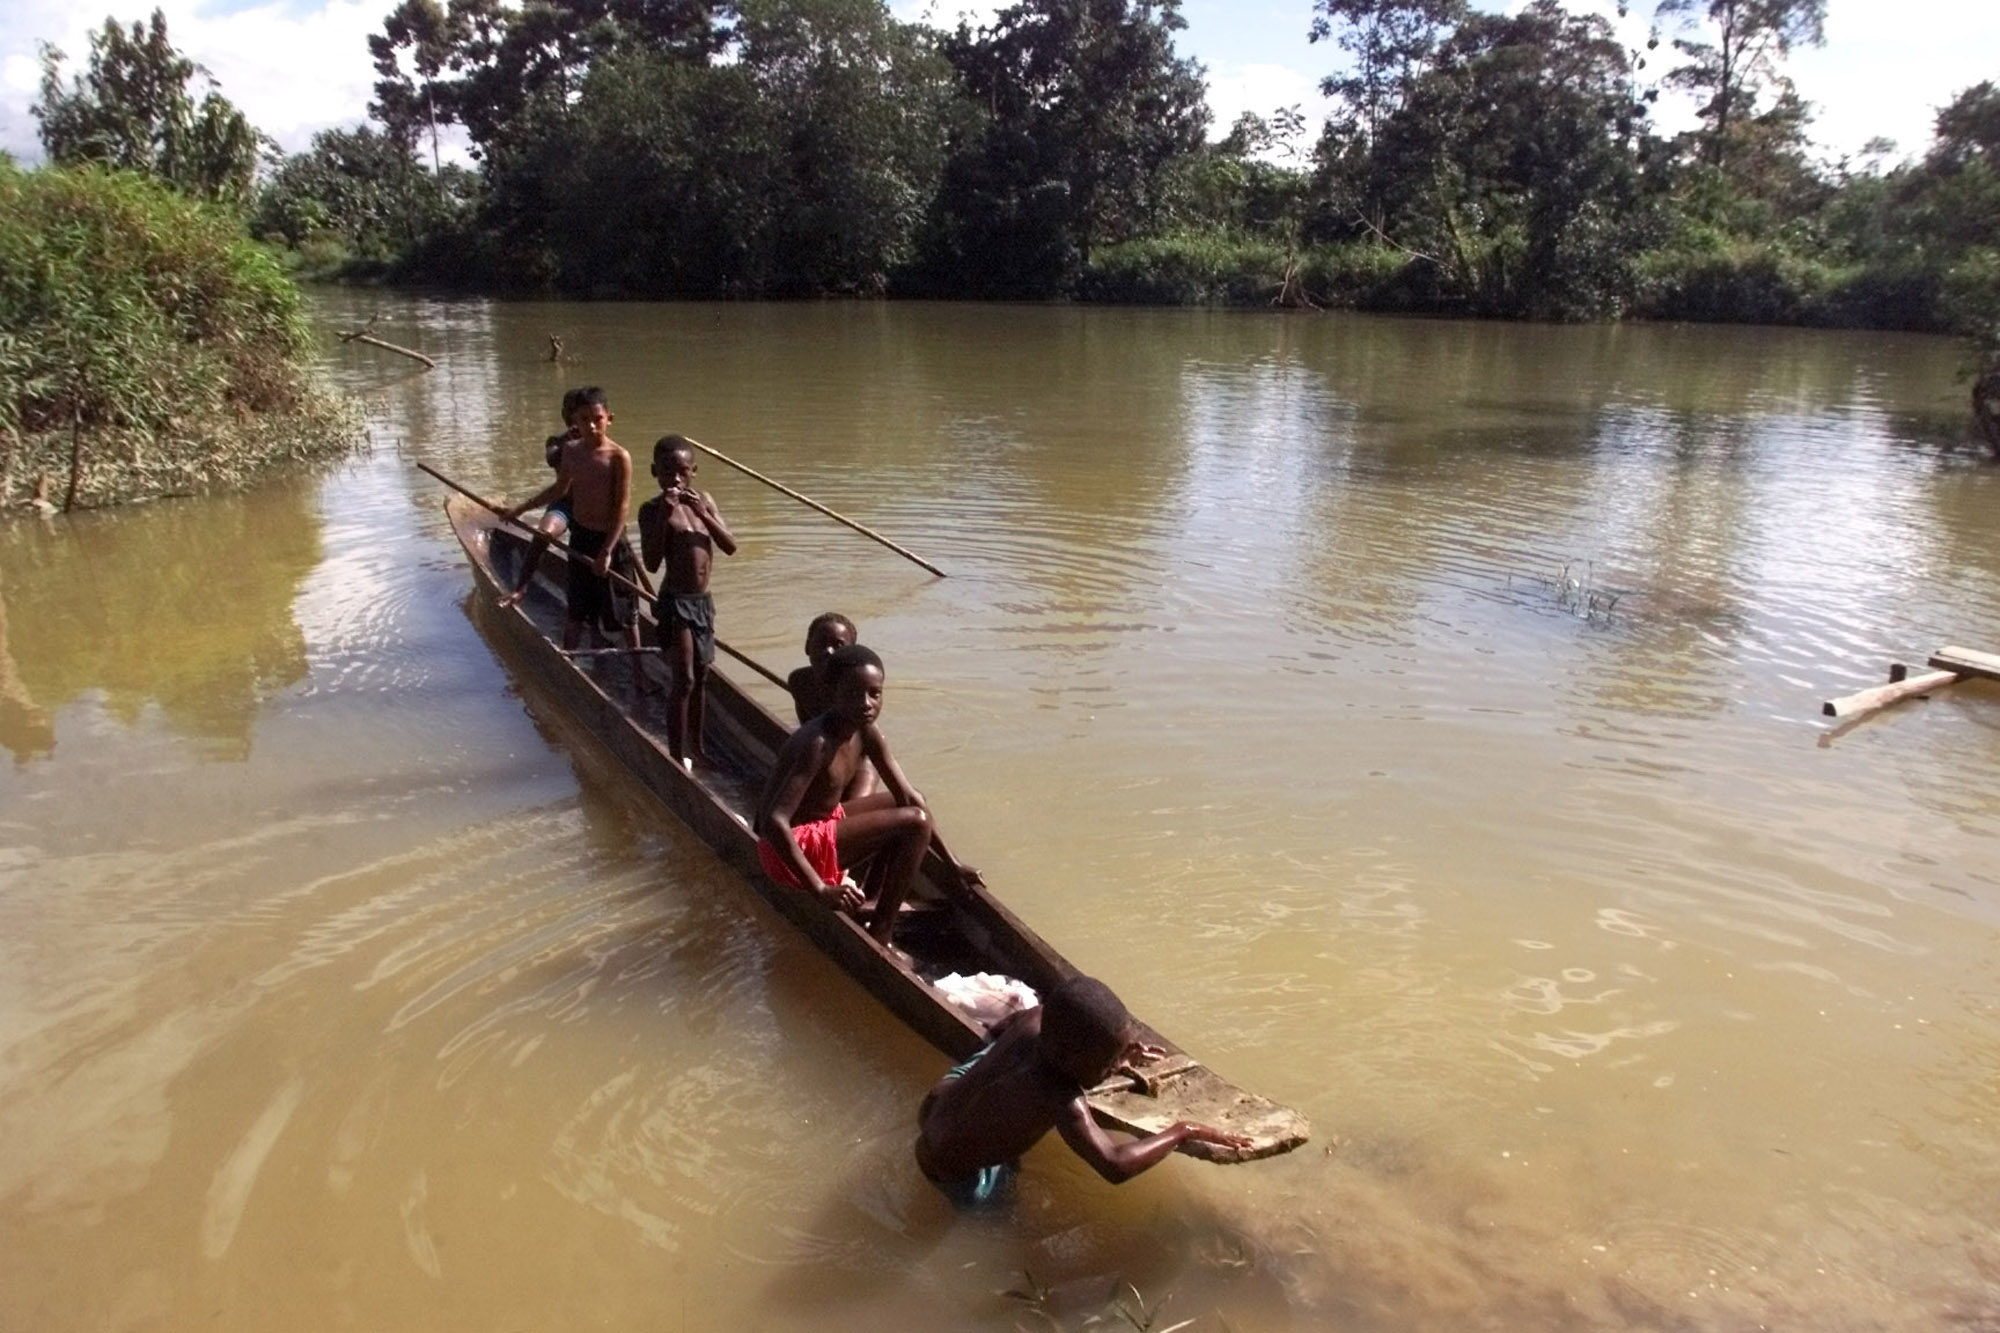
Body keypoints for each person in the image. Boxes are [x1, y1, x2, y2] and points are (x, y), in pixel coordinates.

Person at [913, 975, 1252, 1208]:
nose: (1115, 1067)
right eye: (1108, 1063)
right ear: (1064, 1058)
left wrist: (1003, 1086)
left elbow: (999, 1031)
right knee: (1000, 1218)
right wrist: (1182, 1131)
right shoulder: (1061, 1097)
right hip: (952, 1173)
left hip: (937, 1106)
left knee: (995, 1065)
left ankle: (988, 1109)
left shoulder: (1035, 1017)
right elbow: (1114, 1166)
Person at [753, 644, 940, 945]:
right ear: (830, 693)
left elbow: (909, 798)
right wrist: (820, 890)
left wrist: (952, 865)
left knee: (911, 806)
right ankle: (881, 932)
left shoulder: (867, 731)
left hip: (819, 830)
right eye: (854, 694)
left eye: (874, 694)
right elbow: (774, 821)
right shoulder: (817, 742)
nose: (866, 704)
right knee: (914, 822)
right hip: (785, 853)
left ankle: (872, 900)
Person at [502, 386, 642, 657]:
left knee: (626, 614)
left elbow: (621, 508)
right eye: (581, 419)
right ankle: (567, 658)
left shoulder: (618, 457)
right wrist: (519, 510)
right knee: (576, 608)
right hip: (579, 530)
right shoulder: (566, 447)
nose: (590, 425)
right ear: (572, 419)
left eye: (596, 419)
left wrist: (607, 551)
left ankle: (639, 674)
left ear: (608, 418)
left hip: (608, 538)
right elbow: (558, 489)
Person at [638, 436, 736, 768]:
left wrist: (702, 513)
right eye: (667, 472)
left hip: (702, 602)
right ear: (655, 472)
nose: (675, 480)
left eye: (682, 472)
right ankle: (677, 753)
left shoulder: (704, 501)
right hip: (675, 601)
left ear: (693, 470)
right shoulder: (652, 510)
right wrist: (666, 516)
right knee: (685, 678)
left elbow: (730, 545)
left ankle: (698, 747)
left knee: (703, 675)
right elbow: (651, 562)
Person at [497, 388, 582, 610]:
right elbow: (552, 458)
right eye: (570, 412)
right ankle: (521, 588)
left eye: (579, 413)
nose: (574, 418)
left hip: (594, 507)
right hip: (565, 504)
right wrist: (570, 442)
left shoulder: (600, 443)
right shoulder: (557, 442)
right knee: (543, 534)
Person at [786, 612, 879, 799]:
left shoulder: (852, 693)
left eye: (839, 646)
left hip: (860, 763)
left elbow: (869, 744)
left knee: (849, 814)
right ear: (807, 647)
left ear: (850, 655)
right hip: (825, 758)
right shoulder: (799, 681)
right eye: (821, 643)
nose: (828, 651)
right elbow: (807, 729)